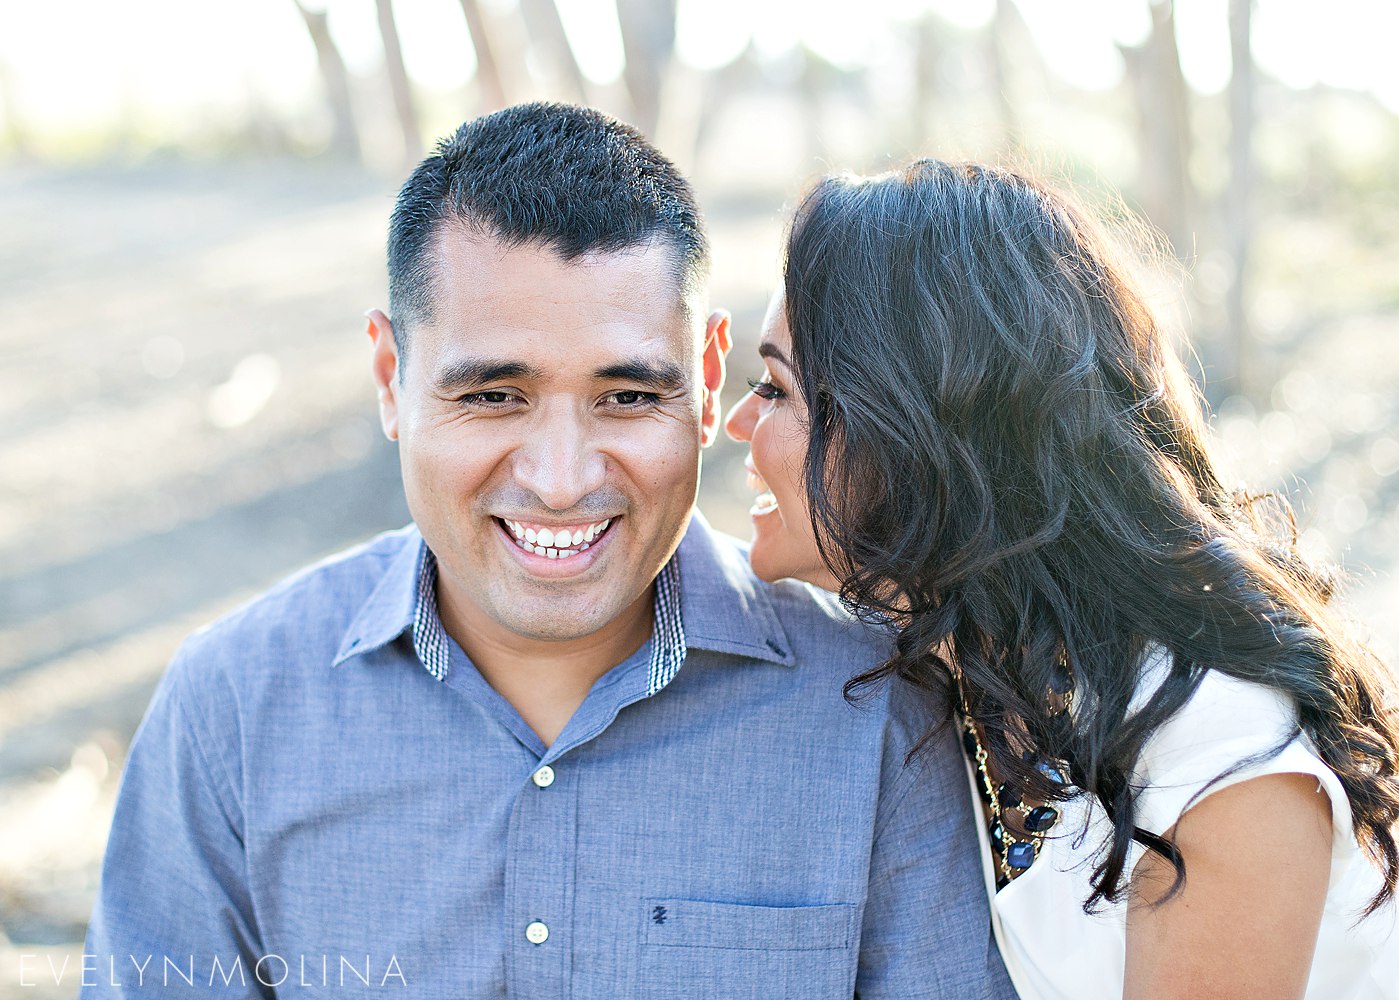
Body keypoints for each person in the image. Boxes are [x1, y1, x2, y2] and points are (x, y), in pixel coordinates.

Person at [81, 108, 1014, 998]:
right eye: (493, 396)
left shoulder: (880, 710)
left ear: (704, 376)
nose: (562, 480)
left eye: (628, 397)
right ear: (390, 378)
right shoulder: (233, 708)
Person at [725, 159, 1399, 1000]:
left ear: (907, 430)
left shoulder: (1214, 745)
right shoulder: (970, 662)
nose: (738, 423)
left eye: (774, 388)